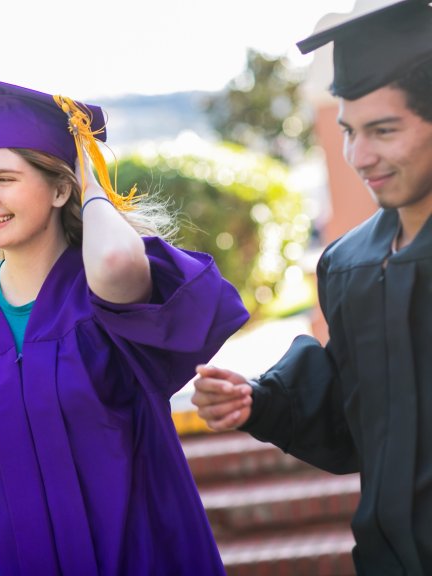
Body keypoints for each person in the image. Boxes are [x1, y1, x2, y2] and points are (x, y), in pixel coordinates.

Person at [0, 73, 249, 576]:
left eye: (5, 179)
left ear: (60, 189)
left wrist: (90, 182)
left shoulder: (105, 297)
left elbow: (117, 259)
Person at [190, 1, 432, 574]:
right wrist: (260, 401)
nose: (359, 156)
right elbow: (354, 422)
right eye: (349, 131)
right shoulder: (350, 264)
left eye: (384, 130)